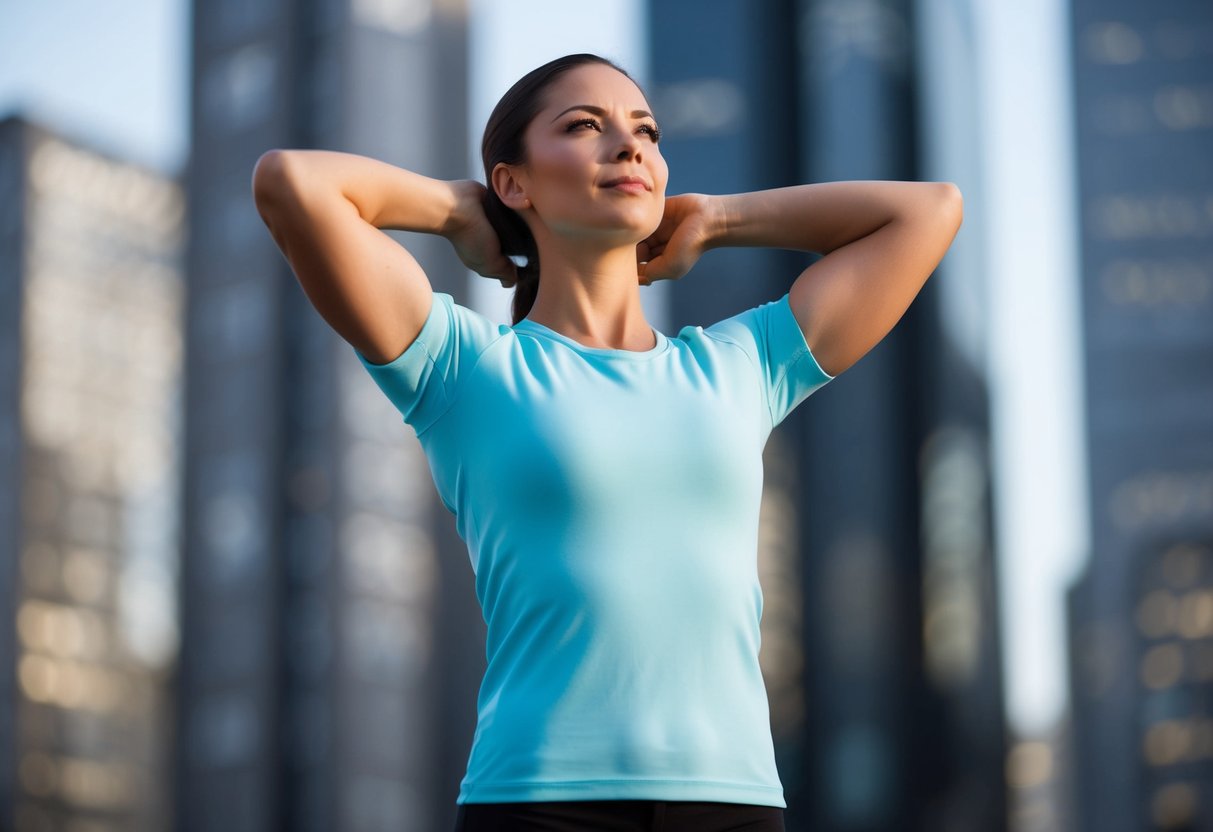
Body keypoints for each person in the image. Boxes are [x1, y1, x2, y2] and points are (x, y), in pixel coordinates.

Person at [252, 52, 962, 832]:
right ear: (513, 181)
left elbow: (929, 211)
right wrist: (459, 211)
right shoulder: (466, 368)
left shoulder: (740, 364)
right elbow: (293, 183)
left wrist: (719, 220)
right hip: (537, 802)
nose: (628, 147)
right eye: (584, 127)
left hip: (733, 802)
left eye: (645, 132)